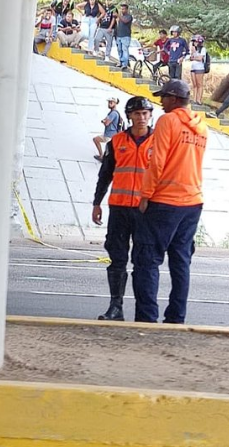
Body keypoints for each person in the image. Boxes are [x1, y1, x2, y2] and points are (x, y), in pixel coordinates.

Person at [132, 79, 206, 324]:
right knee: (180, 260)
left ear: (174, 99)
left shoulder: (168, 121)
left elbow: (157, 162)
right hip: (192, 202)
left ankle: (147, 318)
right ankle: (176, 318)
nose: (160, 102)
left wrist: (145, 196)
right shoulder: (201, 127)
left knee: (147, 259)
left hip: (165, 201)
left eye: (163, 97)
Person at [91, 95, 153, 321]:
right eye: (137, 114)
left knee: (143, 261)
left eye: (145, 113)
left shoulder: (158, 142)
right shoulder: (117, 141)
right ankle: (115, 307)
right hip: (118, 210)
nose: (141, 118)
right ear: (129, 116)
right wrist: (97, 203)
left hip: (145, 212)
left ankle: (144, 311)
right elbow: (105, 174)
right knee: (117, 259)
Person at [187, 35, 209, 105]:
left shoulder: (203, 49)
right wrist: (193, 53)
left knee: (199, 84)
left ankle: (198, 100)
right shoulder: (193, 50)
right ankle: (194, 99)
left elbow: (200, 58)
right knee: (194, 84)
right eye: (194, 42)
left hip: (199, 68)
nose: (195, 43)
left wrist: (194, 57)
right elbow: (191, 58)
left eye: (196, 42)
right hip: (193, 67)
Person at [113, 3, 134, 70]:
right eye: (121, 9)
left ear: (127, 10)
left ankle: (125, 63)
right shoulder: (120, 17)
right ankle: (120, 62)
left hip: (126, 36)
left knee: (125, 49)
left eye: (123, 9)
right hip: (119, 36)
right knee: (119, 50)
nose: (122, 10)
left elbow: (125, 21)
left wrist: (118, 16)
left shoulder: (129, 16)